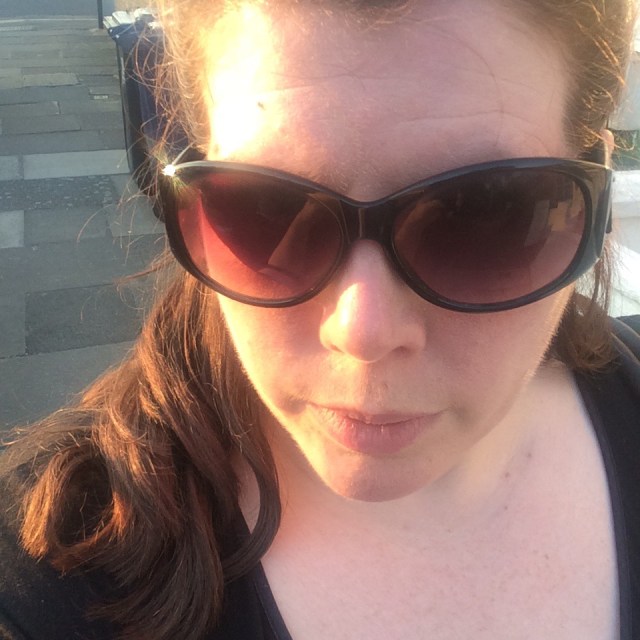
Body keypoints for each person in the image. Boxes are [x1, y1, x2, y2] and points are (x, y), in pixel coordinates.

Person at [1, 0, 639, 638]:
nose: (362, 333)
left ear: (600, 190)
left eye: (484, 213)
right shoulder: (51, 568)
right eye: (264, 207)